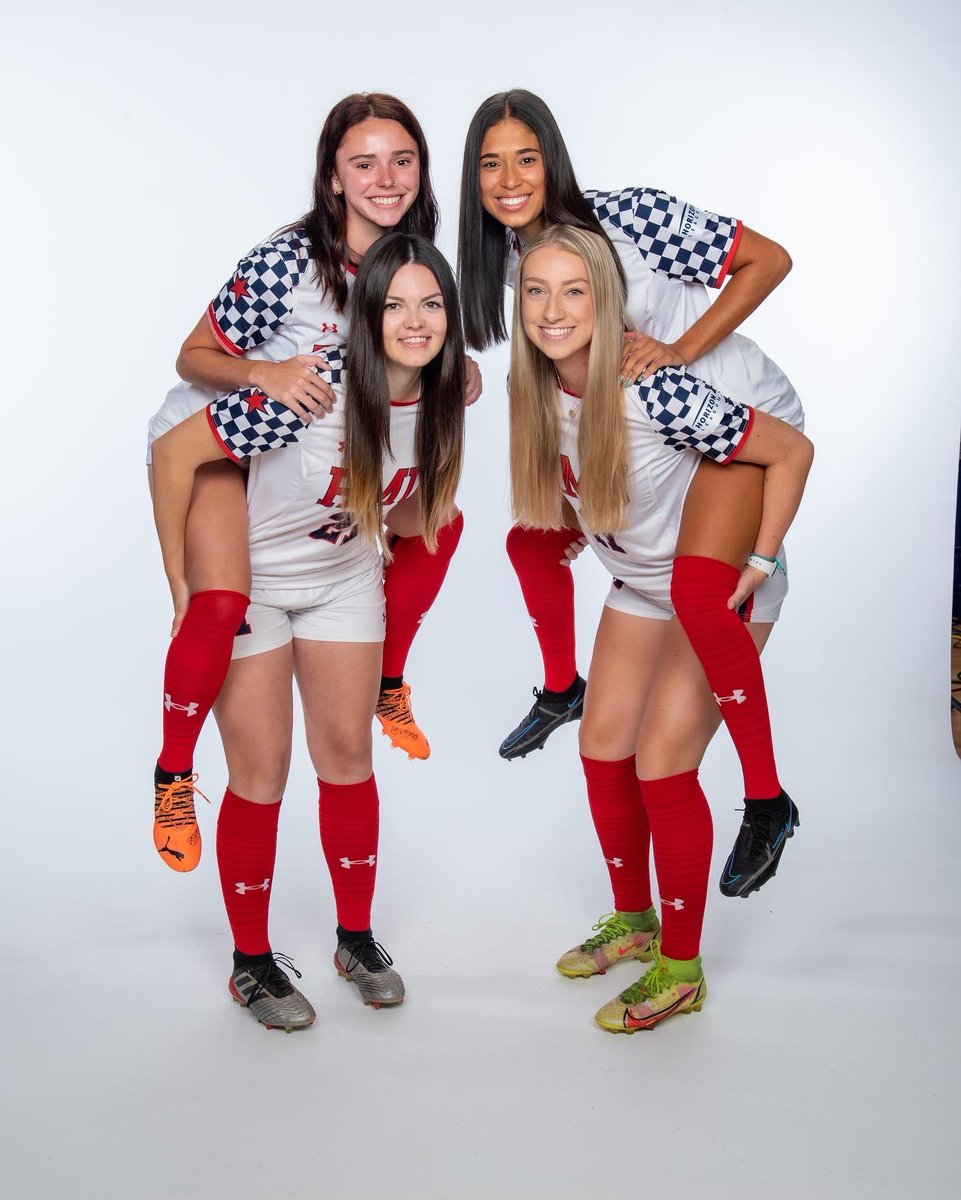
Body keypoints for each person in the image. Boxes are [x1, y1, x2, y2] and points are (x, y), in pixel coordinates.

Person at [458, 88, 799, 841]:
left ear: (554, 160)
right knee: (533, 540)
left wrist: (679, 349)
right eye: (490, 164)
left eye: (526, 158)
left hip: (731, 419)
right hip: (644, 439)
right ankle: (563, 689)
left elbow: (767, 260)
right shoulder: (512, 258)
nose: (509, 179)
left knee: (698, 594)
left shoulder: (632, 217)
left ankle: (766, 800)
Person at [149, 93, 476, 875]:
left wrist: (450, 369)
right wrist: (261, 372)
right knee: (219, 604)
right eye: (363, 163)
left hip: (312, 468)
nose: (385, 178)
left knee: (440, 522)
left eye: (402, 160)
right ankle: (172, 775)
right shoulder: (287, 264)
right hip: (224, 446)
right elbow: (192, 357)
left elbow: (409, 344)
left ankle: (388, 680)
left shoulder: (411, 255)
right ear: (333, 178)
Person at [150, 233, 465, 1029]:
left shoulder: (441, 401)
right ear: (364, 317)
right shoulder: (310, 394)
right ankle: (251, 964)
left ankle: (354, 941)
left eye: (431, 304)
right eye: (394, 305)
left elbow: (407, 509)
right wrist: (182, 581)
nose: (415, 321)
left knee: (348, 760)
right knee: (262, 772)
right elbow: (175, 451)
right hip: (255, 580)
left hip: (342, 580)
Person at [509, 224, 812, 1031]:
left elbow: (789, 450)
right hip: (642, 588)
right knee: (601, 746)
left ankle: (681, 970)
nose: (551, 309)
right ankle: (634, 922)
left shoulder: (652, 388)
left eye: (574, 291)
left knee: (661, 763)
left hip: (712, 590)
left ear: (606, 301)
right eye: (535, 291)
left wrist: (761, 557)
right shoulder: (533, 389)